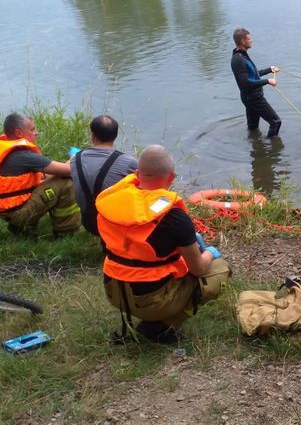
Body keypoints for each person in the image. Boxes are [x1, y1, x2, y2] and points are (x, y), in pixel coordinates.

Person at [96, 145, 231, 344]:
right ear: (172, 177)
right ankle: (162, 326)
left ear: (137, 174)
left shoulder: (111, 204)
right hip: (151, 302)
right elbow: (199, 268)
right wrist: (210, 252)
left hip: (114, 292)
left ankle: (155, 316)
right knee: (220, 271)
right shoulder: (174, 216)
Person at [0, 112, 81, 237]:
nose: (37, 133)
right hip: (17, 213)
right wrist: (75, 157)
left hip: (3, 210)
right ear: (19, 133)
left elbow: (40, 175)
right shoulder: (24, 155)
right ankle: (66, 233)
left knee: (52, 176)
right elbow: (68, 170)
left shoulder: (0, 147)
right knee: (66, 182)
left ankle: (25, 226)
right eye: (32, 129)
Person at [70, 115, 138, 236]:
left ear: (93, 136)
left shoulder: (76, 159)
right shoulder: (129, 162)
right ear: (115, 136)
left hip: (89, 222)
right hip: (114, 224)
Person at [231, 27, 282, 138]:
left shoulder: (242, 55)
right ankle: (272, 151)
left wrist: (269, 70)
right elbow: (245, 82)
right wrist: (267, 81)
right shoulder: (238, 60)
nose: (251, 40)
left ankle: (255, 147)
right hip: (254, 98)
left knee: (253, 127)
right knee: (276, 122)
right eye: (249, 39)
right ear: (243, 41)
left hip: (250, 98)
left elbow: (252, 75)